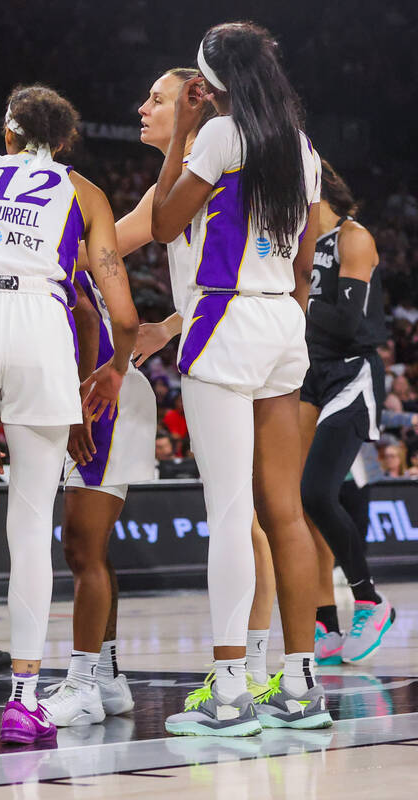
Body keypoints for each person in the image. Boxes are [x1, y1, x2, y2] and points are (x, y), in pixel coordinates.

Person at [0, 84, 137, 745]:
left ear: (8, 135)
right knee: (30, 528)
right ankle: (23, 700)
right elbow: (123, 315)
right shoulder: (86, 193)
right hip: (39, 328)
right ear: (65, 141)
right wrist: (110, 370)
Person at [151, 23, 330, 735]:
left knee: (229, 510)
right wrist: (286, 324)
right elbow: (304, 260)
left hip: (225, 323)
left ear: (209, 81)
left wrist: (180, 135)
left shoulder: (222, 137)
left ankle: (229, 691)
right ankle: (299, 684)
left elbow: (165, 225)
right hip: (283, 327)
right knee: (284, 511)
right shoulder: (303, 145)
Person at [128, 68, 281, 702]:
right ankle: (263, 669)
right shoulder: (192, 170)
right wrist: (167, 323)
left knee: (244, 514)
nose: (142, 107)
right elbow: (109, 244)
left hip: (235, 335)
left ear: (192, 103)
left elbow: (128, 242)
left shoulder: (212, 159)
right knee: (249, 516)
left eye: (155, 98)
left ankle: (247, 672)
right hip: (251, 327)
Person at [300, 161, 394, 663]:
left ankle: (369, 600)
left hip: (350, 373)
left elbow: (346, 320)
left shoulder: (351, 237)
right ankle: (323, 625)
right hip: (305, 375)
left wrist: (292, 301)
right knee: (298, 505)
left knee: (317, 491)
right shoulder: (295, 248)